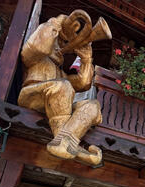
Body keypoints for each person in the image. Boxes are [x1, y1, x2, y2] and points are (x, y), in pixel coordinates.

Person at [18, 11, 105, 164]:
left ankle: (66, 142)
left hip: (57, 98)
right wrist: (56, 22)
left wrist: (86, 60)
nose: (61, 47)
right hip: (32, 96)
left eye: (63, 44)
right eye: (59, 42)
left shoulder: (61, 74)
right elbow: (40, 47)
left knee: (93, 106)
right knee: (62, 86)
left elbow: (83, 83)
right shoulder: (33, 57)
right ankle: (65, 142)